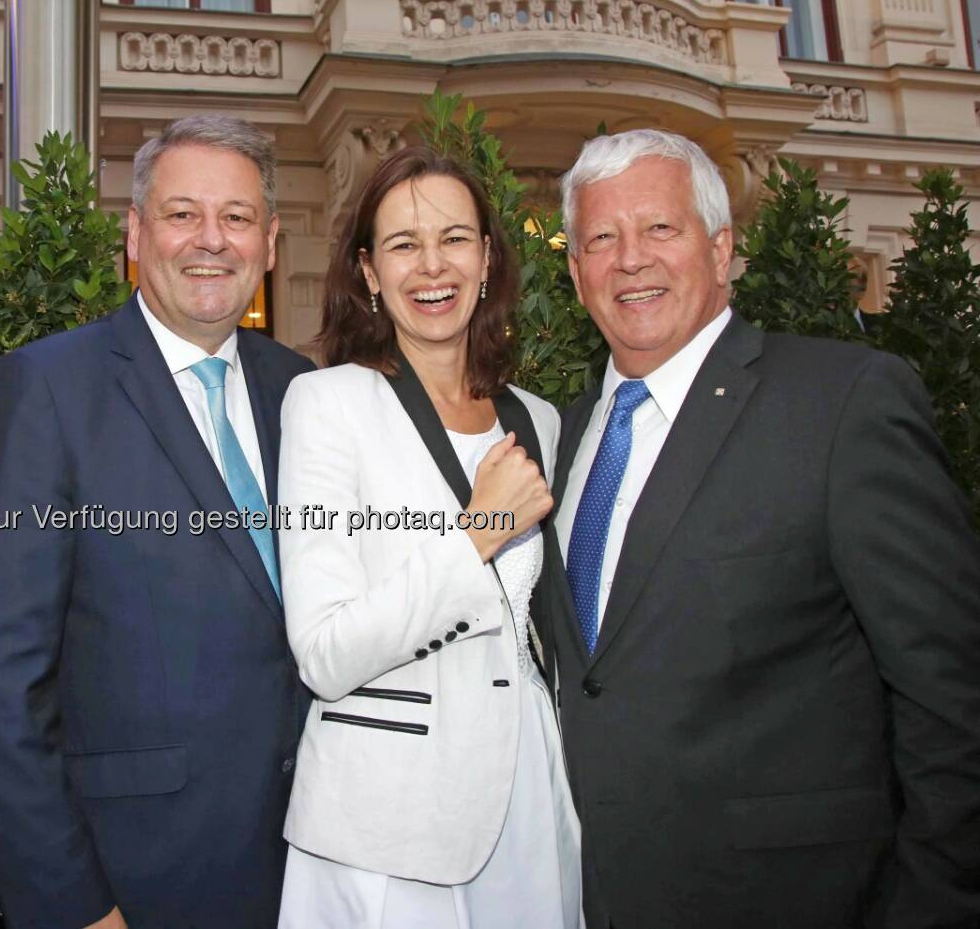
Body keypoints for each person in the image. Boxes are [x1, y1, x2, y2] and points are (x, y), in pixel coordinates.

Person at [542, 127, 980, 929]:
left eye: (660, 229)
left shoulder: (841, 405)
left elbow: (952, 698)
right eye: (602, 238)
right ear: (575, 274)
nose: (630, 258)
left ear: (721, 248)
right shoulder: (561, 439)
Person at [0, 114, 314, 929]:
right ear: (136, 235)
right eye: (183, 215)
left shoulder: (307, 391)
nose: (211, 240)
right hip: (132, 880)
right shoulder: (44, 390)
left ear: (272, 242)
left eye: (238, 218)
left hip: (311, 866)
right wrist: (68, 901)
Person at [275, 145, 583, 929]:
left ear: (487, 255)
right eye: (403, 244)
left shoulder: (536, 419)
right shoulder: (327, 405)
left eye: (453, 237)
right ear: (370, 272)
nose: (431, 265)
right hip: (390, 824)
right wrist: (476, 533)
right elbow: (325, 651)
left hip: (529, 802)